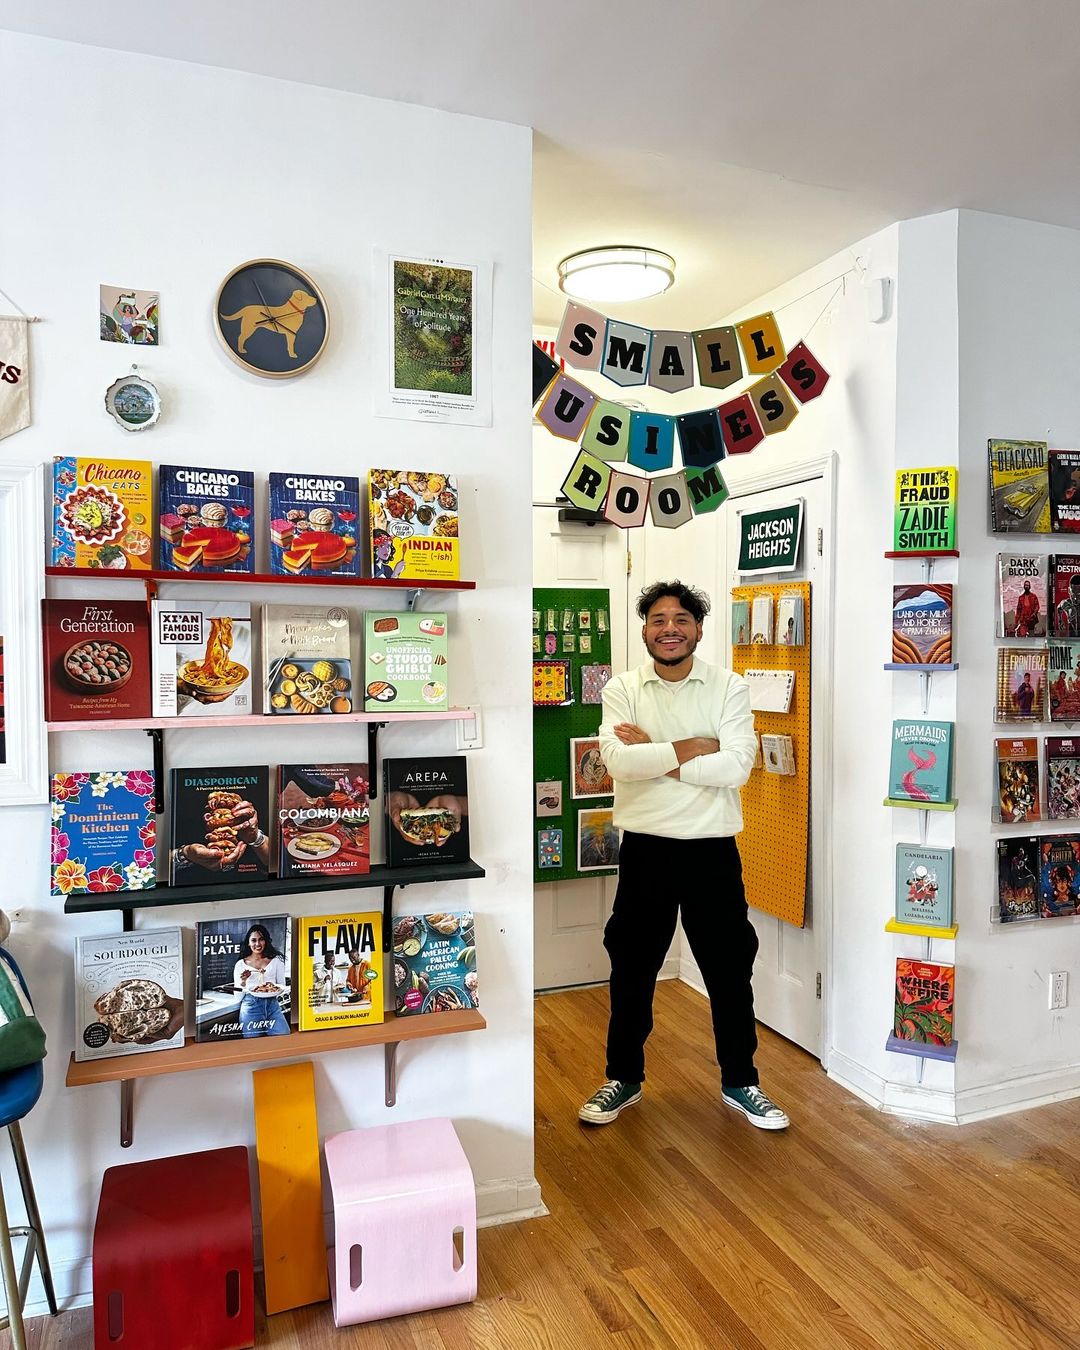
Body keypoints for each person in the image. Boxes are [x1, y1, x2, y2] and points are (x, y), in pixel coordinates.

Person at [579, 580, 788, 1131]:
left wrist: (658, 755)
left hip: (711, 849)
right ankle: (622, 1078)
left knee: (727, 967)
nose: (669, 629)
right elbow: (618, 764)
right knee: (632, 966)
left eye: (681, 620)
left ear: (698, 628)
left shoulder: (728, 687)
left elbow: (737, 767)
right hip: (645, 849)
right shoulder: (623, 687)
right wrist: (692, 748)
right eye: (657, 620)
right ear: (644, 628)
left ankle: (742, 1082)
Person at [233, 924, 289, 1037]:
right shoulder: (241, 964)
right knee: (252, 1045)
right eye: (253, 940)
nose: (257, 944)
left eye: (261, 939)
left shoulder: (276, 961)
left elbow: (281, 986)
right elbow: (237, 998)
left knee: (284, 1037)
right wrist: (243, 981)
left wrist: (270, 987)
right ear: (248, 943)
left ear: (266, 941)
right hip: (251, 1007)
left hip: (273, 1006)